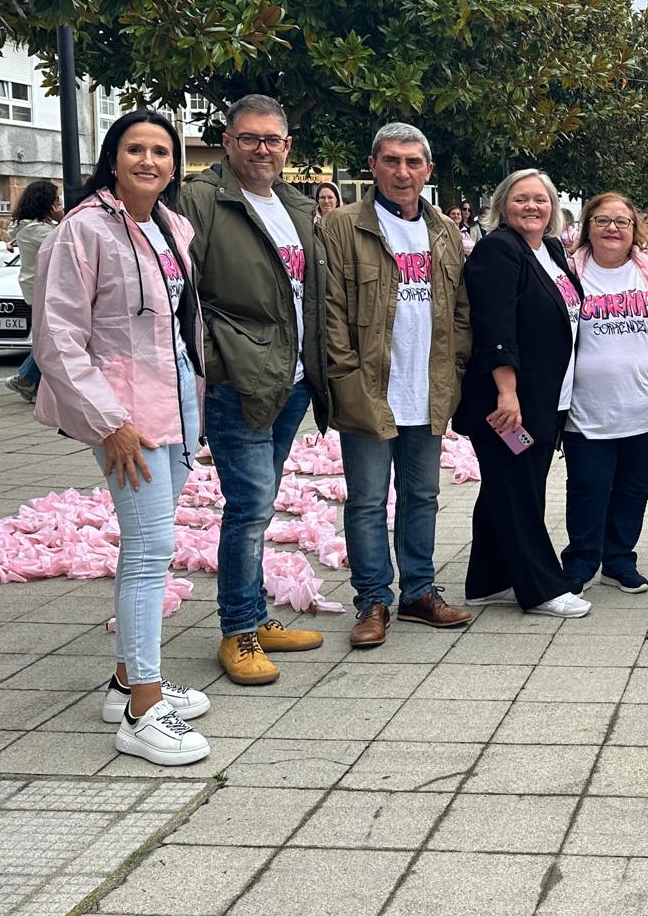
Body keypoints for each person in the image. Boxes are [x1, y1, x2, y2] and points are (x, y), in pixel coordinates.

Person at [32, 109, 210, 765]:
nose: (149, 161)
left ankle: (125, 681)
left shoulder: (171, 225)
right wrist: (108, 423)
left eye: (161, 151)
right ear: (113, 158)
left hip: (176, 407)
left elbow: (180, 323)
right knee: (149, 550)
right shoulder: (82, 231)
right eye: (136, 149)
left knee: (152, 549)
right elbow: (57, 338)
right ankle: (141, 711)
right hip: (125, 417)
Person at [179, 94, 328, 685]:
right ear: (227, 141)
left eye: (272, 140)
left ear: (287, 146)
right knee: (248, 507)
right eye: (248, 138)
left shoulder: (294, 205)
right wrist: (216, 359)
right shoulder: (200, 200)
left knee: (260, 504)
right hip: (238, 378)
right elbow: (183, 293)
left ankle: (256, 616)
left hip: (291, 379)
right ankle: (238, 630)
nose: (261, 149)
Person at [322, 123, 474, 647]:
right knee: (367, 501)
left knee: (422, 496)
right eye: (391, 161)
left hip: (427, 389)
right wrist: (346, 379)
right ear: (373, 166)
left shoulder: (445, 232)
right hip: (368, 389)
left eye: (413, 162)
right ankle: (372, 601)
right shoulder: (342, 227)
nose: (402, 172)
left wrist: (453, 372)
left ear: (428, 170)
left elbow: (459, 311)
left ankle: (418, 592)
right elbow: (331, 312)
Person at [459, 169, 591, 618]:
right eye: (521, 199)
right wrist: (507, 392)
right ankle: (541, 588)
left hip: (547, 395)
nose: (531, 207)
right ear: (502, 205)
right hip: (509, 401)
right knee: (518, 490)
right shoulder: (499, 249)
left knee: (510, 485)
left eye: (540, 199)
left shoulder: (550, 249)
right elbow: (494, 326)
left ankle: (486, 581)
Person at [562, 193, 648, 594]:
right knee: (587, 489)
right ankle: (581, 562)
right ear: (587, 227)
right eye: (602, 220)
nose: (612, 228)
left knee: (633, 490)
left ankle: (619, 560)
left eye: (622, 221)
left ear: (635, 230)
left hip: (646, 406)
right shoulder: (569, 272)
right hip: (586, 409)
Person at [4, 179, 63, 404]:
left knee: (50, 337)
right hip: (43, 290)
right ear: (45, 203)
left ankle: (28, 380)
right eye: (56, 201)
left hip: (43, 288)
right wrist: (63, 219)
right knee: (51, 338)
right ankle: (25, 379)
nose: (59, 205)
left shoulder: (33, 226)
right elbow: (67, 243)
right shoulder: (35, 229)